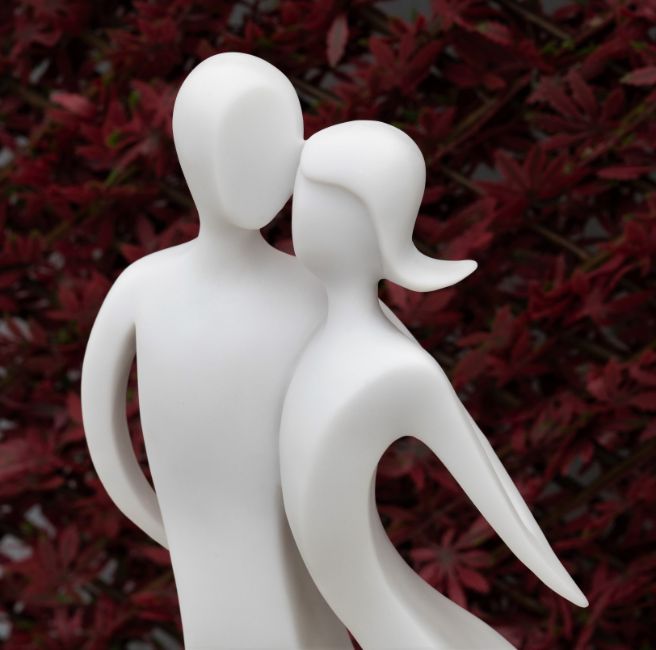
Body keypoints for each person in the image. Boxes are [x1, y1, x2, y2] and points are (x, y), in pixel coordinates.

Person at [280, 120, 588, 649]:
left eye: (309, 199)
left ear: (370, 222)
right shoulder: (325, 339)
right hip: (366, 606)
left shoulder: (399, 369)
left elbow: (487, 479)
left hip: (385, 614)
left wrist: (546, 566)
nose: (295, 214)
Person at [81, 53, 352, 649]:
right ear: (195, 151)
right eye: (238, 141)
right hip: (207, 551)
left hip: (307, 549)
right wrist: (175, 532)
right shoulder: (145, 288)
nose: (263, 165)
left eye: (278, 141)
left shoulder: (316, 290)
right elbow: (104, 435)